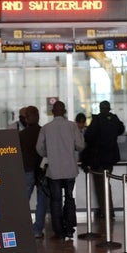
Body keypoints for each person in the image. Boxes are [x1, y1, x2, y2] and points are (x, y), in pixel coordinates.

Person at [36, 101, 85, 240]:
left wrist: (48, 153)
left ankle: (58, 231)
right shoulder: (72, 126)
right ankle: (69, 229)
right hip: (70, 169)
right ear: (64, 111)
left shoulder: (46, 128)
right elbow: (80, 146)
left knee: (55, 200)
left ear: (52, 111)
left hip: (54, 170)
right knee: (69, 198)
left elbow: (39, 148)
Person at [83, 100, 125, 219]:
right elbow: (121, 130)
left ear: (100, 108)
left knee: (101, 186)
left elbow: (88, 136)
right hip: (111, 157)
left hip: (98, 158)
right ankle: (108, 210)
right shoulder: (114, 118)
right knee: (106, 183)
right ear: (109, 108)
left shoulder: (97, 119)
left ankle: (106, 211)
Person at [18, 105, 47, 239]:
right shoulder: (44, 132)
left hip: (27, 170)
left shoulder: (21, 135)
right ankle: (37, 230)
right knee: (42, 201)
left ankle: (21, 228)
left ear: (27, 118)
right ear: (38, 116)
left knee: (23, 201)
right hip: (42, 171)